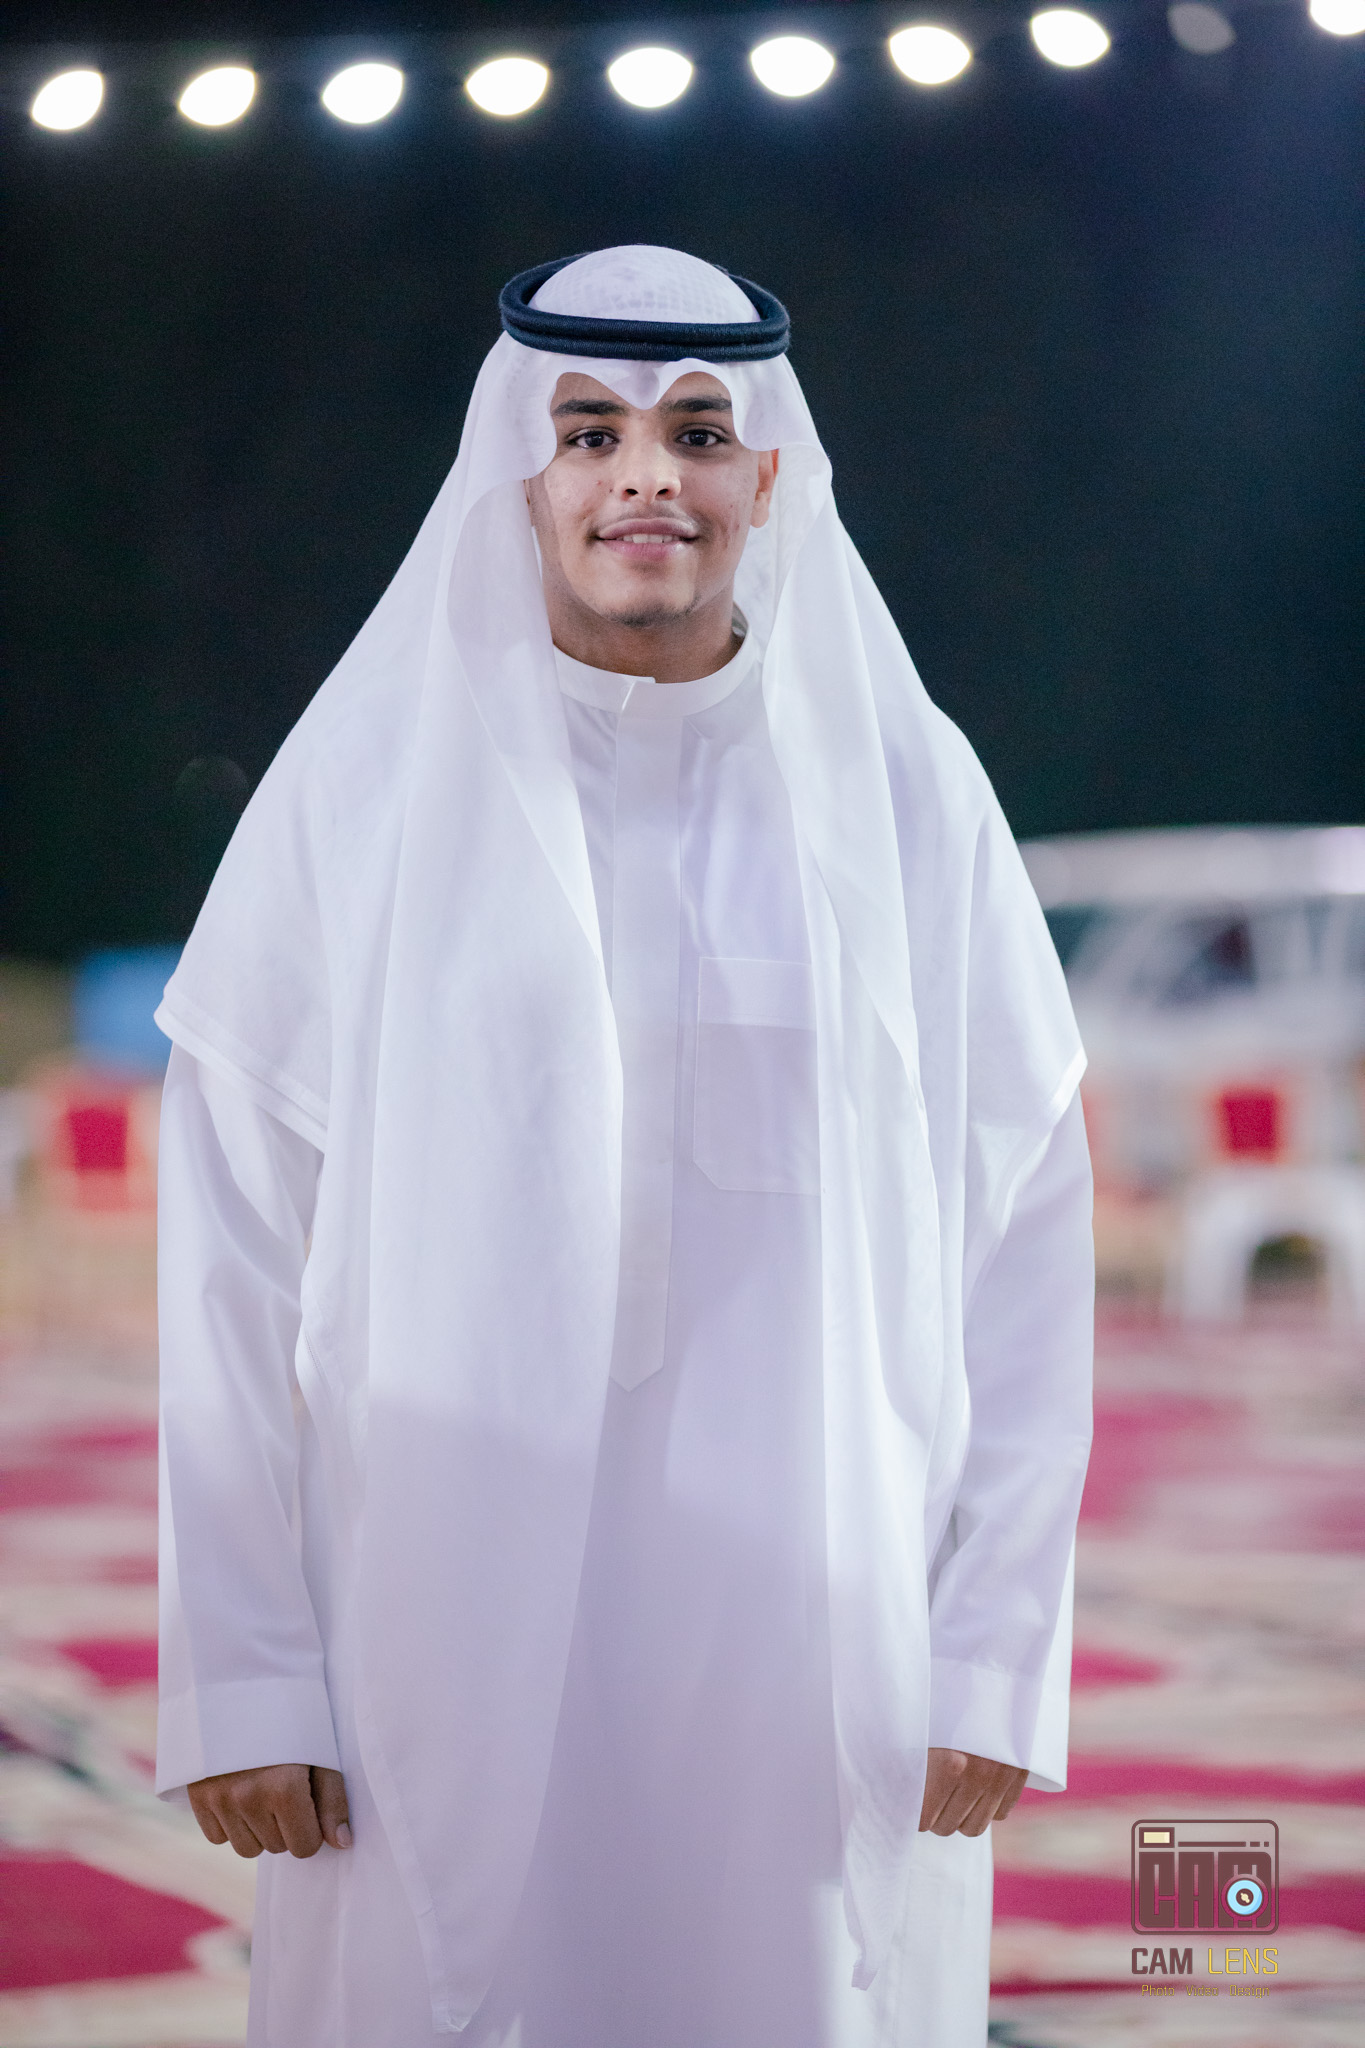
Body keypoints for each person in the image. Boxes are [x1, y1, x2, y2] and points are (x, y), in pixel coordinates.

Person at [155, 245, 1093, 2048]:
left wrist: (990, 1650)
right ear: (519, 474)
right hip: (422, 1628)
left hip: (819, 1649)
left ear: (771, 479)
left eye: (698, 432)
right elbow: (231, 1252)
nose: (644, 474)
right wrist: (247, 1673)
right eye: (588, 430)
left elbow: (1022, 1231)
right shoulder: (365, 797)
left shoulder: (904, 799)